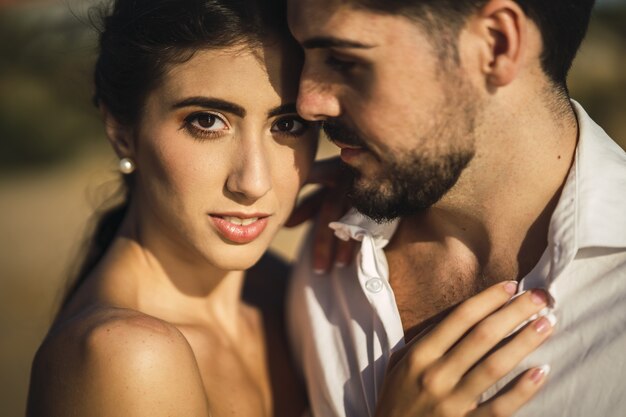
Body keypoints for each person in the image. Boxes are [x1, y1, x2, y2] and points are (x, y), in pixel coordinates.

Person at [26, 1, 553, 416]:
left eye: (287, 126)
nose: (254, 182)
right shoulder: (125, 357)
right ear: (121, 131)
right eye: (207, 122)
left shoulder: (289, 291)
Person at [286, 0, 626, 416]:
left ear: (496, 45)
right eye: (303, 55)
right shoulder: (329, 253)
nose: (307, 103)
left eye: (343, 59)